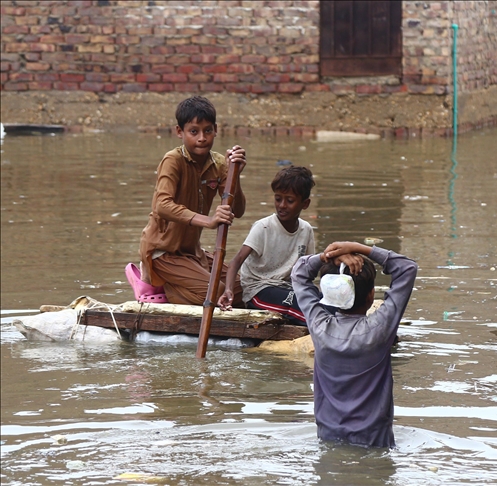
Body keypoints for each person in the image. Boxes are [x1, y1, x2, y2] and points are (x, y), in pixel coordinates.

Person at [292, 242, 418, 448]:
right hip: (375, 443)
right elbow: (407, 268)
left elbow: (299, 272)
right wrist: (361, 248)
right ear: (371, 296)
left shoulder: (320, 327)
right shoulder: (379, 329)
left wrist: (326, 257)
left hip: (328, 440)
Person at [137, 96, 247, 305]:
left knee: (240, 289)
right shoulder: (173, 160)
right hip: (163, 253)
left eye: (207, 130)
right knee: (217, 291)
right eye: (194, 131)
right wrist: (209, 220)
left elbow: (238, 210)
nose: (202, 138)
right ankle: (167, 290)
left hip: (192, 252)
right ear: (180, 132)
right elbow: (162, 206)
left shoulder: (220, 164)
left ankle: (179, 283)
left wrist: (235, 175)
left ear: (216, 129)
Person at [217, 166, 316, 325]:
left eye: (289, 201)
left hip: (287, 289)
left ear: (305, 204)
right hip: (258, 290)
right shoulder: (263, 227)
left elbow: (307, 269)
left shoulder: (306, 230)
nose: (282, 205)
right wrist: (228, 290)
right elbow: (236, 261)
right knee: (298, 305)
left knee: (319, 299)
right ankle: (331, 332)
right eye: (278, 199)